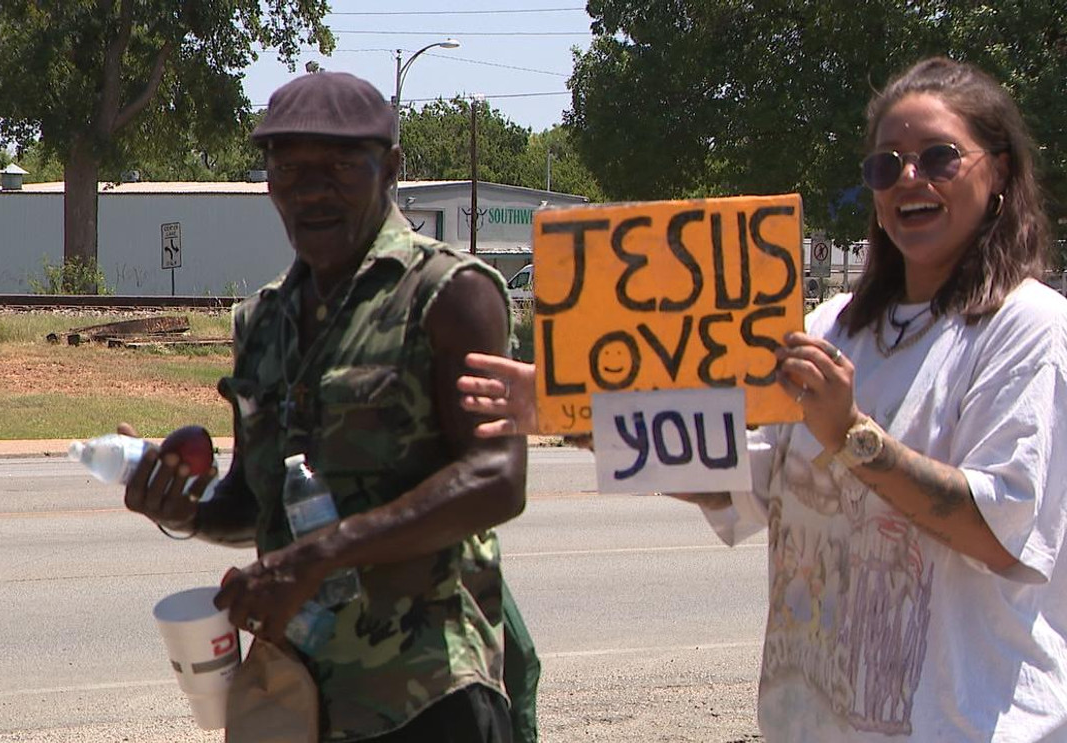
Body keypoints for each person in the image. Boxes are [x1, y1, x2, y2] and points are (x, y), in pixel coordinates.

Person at [457, 57, 1067, 741]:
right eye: (885, 166)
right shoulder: (828, 328)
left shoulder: (1029, 329)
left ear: (1003, 172)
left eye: (939, 157)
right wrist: (576, 415)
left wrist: (851, 435)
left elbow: (998, 531)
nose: (908, 180)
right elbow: (733, 478)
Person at [122, 71, 528, 742]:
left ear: (390, 168)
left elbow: (497, 478)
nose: (312, 188)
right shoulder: (263, 318)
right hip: (298, 699)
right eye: (289, 167)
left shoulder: (450, 293)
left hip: (428, 696)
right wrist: (185, 508)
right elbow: (256, 504)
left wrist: (321, 555)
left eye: (340, 166)